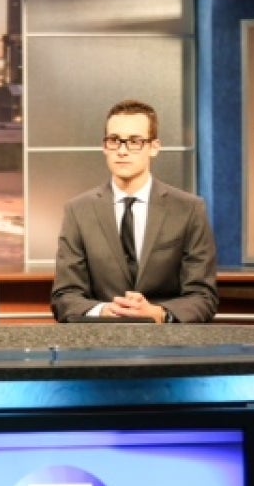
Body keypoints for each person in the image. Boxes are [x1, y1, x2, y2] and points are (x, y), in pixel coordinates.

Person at [51, 99, 218, 323]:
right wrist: (103, 311)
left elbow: (203, 296)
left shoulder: (188, 209)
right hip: (100, 346)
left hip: (166, 347)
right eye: (114, 141)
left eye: (134, 141)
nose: (122, 150)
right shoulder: (79, 211)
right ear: (104, 146)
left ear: (154, 147)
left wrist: (158, 313)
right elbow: (64, 296)